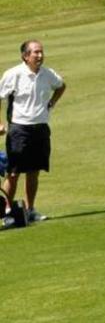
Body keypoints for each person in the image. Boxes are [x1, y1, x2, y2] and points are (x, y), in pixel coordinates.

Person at [0, 40, 66, 222]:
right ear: (25, 56)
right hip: (19, 129)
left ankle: (30, 210)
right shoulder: (14, 74)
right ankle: (6, 212)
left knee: (34, 171)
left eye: (41, 52)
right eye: (36, 52)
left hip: (41, 128)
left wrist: (51, 103)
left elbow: (61, 86)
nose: (40, 55)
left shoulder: (47, 74)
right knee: (13, 173)